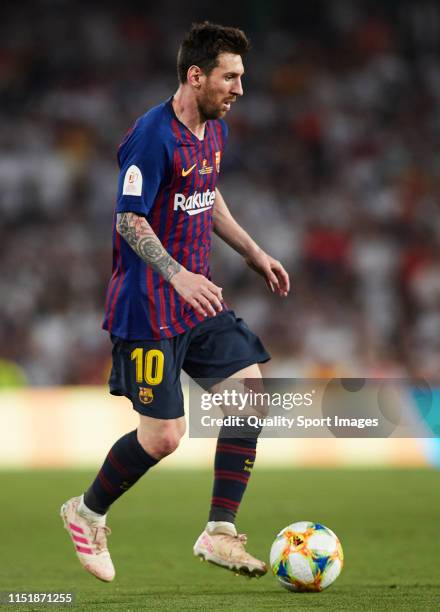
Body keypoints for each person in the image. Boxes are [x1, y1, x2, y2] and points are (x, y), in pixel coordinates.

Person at [60, 21, 290, 582]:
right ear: (196, 75)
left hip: (197, 299)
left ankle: (219, 532)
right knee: (163, 438)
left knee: (250, 396)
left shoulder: (214, 130)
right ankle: (85, 513)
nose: (239, 89)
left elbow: (206, 197)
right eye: (230, 77)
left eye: (241, 77)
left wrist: (252, 252)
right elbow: (128, 218)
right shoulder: (150, 136)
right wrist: (179, 273)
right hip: (148, 308)